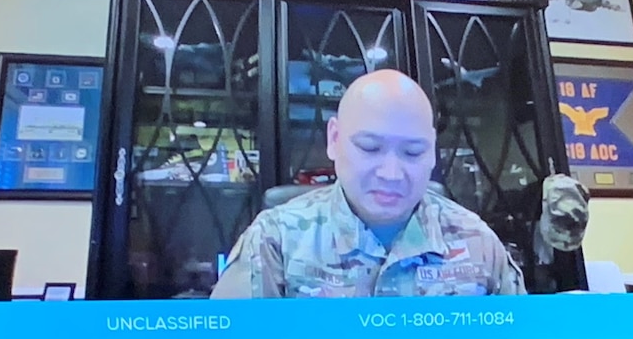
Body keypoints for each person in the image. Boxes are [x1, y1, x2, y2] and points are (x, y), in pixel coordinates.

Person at [212, 70, 524, 298]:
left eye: (412, 152)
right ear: (334, 140)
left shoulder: (478, 243)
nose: (391, 173)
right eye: (370, 148)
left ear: (431, 150)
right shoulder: (275, 240)